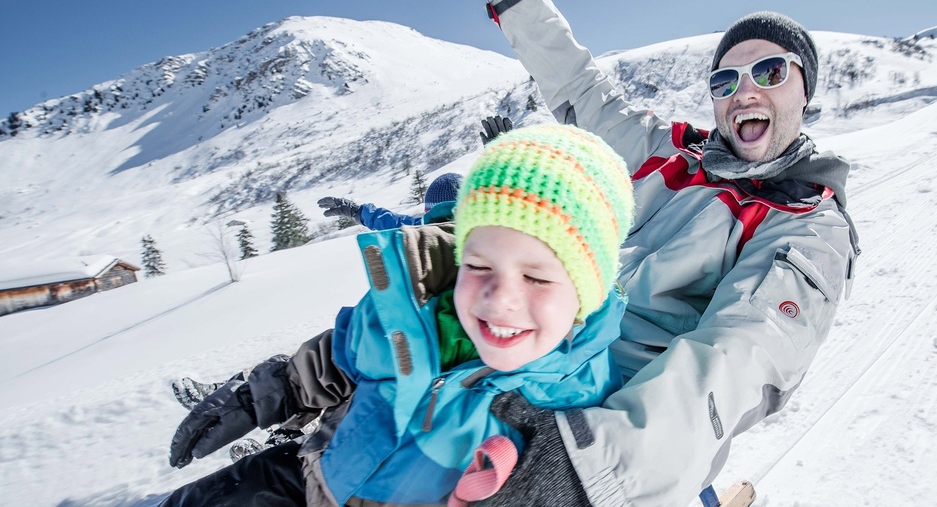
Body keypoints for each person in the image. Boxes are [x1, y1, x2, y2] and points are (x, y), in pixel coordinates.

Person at [468, 0, 862, 505]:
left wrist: (594, 467)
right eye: (725, 80)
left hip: (614, 413)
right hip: (546, 342)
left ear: (806, 91)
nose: (745, 92)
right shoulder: (673, 155)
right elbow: (583, 92)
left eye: (769, 72)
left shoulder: (808, 224)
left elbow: (737, 355)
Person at [160, 123, 636, 507]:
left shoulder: (583, 403)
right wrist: (268, 393)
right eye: (477, 264)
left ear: (587, 291)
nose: (500, 298)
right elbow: (346, 350)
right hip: (312, 476)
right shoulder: (416, 306)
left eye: (536, 276)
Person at [316, 115, 516, 230]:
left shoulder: (419, 234)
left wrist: (355, 211)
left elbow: (391, 222)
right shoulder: (493, 229)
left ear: (428, 211)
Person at [316, 171, 463, 230]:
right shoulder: (478, 235)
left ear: (428, 212)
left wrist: (356, 211)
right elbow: (396, 222)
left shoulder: (422, 237)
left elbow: (395, 223)